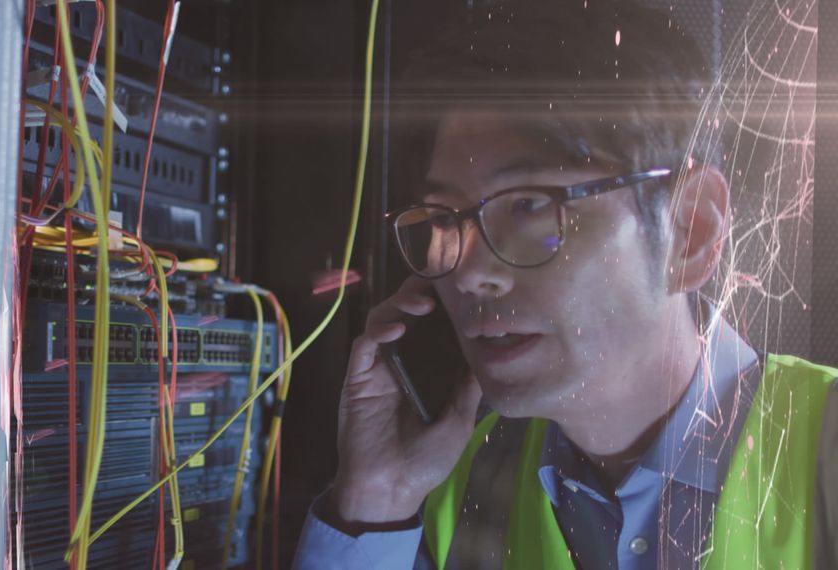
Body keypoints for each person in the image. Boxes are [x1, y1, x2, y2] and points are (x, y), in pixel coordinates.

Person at [292, 0, 838, 568]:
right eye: (445, 218)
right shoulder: (455, 478)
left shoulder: (823, 448)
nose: (468, 271)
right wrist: (375, 501)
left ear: (690, 230)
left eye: (529, 204)